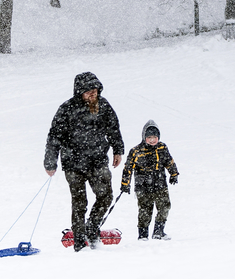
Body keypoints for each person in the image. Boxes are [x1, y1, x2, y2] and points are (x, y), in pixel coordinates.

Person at [44, 72, 124, 252]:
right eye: (88, 91)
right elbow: (54, 137)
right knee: (79, 202)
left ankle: (92, 226)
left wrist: (118, 150)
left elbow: (113, 128)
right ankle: (79, 241)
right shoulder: (66, 109)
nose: (92, 94)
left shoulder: (103, 106)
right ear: (79, 92)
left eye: (95, 90)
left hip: (97, 161)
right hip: (73, 163)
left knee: (106, 196)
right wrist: (50, 161)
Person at [120, 120, 179, 241]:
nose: (152, 140)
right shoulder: (136, 151)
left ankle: (158, 231)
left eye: (155, 137)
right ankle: (143, 235)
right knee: (145, 211)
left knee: (164, 207)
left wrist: (173, 173)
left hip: (160, 184)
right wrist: (125, 184)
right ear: (144, 137)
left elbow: (169, 161)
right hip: (143, 186)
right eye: (149, 137)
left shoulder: (162, 148)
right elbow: (128, 168)